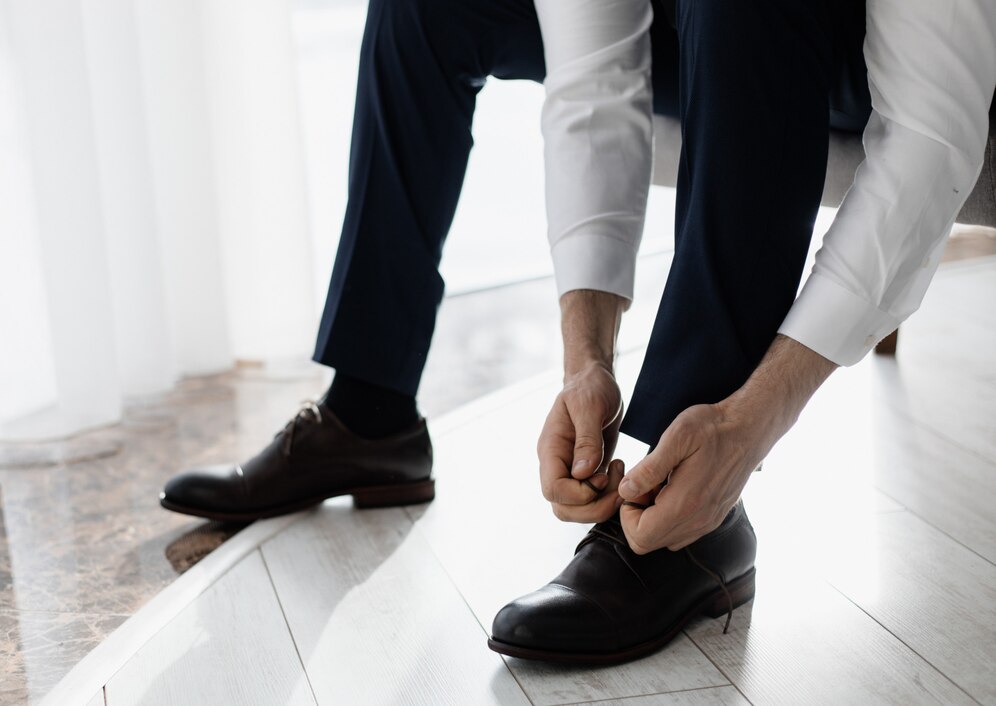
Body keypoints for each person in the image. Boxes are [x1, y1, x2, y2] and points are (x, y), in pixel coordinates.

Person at [159, 0, 995, 663]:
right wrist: (584, 358)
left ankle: (688, 512)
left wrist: (748, 423)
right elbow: (598, 79)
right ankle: (370, 413)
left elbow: (932, 135)